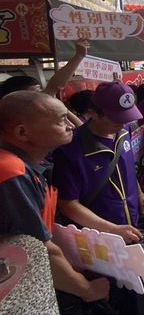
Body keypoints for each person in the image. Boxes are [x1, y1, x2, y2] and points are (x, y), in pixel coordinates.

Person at [0, 91, 110, 305]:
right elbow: (39, 248)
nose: (71, 125)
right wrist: (86, 288)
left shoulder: (27, 162)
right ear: (23, 133)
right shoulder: (10, 172)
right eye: (61, 120)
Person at [53, 82, 144, 240]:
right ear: (93, 113)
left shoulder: (124, 133)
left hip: (130, 224)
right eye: (117, 119)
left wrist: (139, 193)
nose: (123, 123)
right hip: (98, 236)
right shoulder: (70, 149)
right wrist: (113, 229)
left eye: (127, 117)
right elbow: (68, 204)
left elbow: (128, 168)